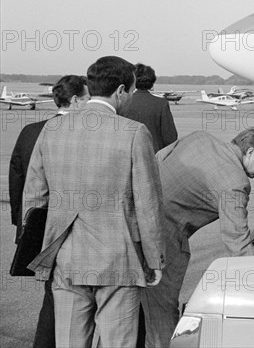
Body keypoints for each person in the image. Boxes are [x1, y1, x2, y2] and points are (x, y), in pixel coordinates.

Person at [22, 56, 166, 348]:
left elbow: (34, 197)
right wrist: (154, 259)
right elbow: (148, 204)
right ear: (121, 90)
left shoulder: (52, 129)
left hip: (66, 259)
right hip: (118, 261)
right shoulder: (134, 133)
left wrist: (39, 247)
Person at [141, 126, 254, 348]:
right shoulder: (234, 182)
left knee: (130, 311)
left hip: (135, 224)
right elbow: (237, 242)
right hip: (162, 241)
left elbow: (158, 158)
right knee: (162, 315)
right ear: (251, 152)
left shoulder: (200, 138)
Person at [9, 75, 89, 348]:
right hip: (70, 228)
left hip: (38, 224)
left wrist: (22, 226)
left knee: (52, 294)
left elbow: (17, 178)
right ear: (77, 99)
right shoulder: (84, 132)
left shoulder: (30, 131)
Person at [123, 63, 178, 153]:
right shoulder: (161, 104)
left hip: (128, 155)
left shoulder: (124, 102)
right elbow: (170, 138)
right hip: (154, 155)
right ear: (152, 83)